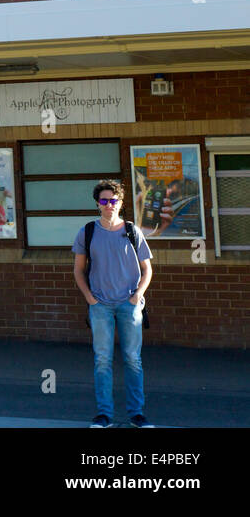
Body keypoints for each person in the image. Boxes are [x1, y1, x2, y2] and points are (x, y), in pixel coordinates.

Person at [72, 180, 155, 428]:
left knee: (132, 359)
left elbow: (147, 269)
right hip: (100, 305)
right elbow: (78, 270)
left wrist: (137, 296)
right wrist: (89, 297)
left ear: (121, 203)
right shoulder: (87, 231)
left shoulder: (132, 231)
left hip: (129, 305)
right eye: (104, 201)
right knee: (102, 360)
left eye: (113, 201)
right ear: (98, 203)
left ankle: (136, 414)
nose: (109, 205)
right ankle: (104, 415)